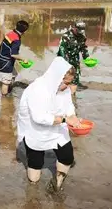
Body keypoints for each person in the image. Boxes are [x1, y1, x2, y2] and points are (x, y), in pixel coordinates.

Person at [16, 57, 82, 192]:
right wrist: (65, 120)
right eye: (65, 82)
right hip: (36, 131)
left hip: (57, 129)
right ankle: (33, 192)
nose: (67, 86)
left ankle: (57, 183)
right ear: (56, 77)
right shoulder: (38, 89)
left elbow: (69, 106)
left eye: (69, 83)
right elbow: (39, 118)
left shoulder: (65, 89)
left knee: (67, 157)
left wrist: (73, 117)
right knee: (36, 165)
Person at [0, 20, 30, 96]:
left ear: (16, 27)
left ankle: (9, 89)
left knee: (14, 74)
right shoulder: (16, 40)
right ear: (25, 31)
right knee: (6, 82)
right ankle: (4, 99)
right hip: (5, 63)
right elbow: (13, 54)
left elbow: (4, 30)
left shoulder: (11, 33)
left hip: (1, 60)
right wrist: (24, 59)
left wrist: (4, 25)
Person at [57, 21, 89, 92]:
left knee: (76, 76)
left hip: (75, 59)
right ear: (74, 28)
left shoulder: (82, 36)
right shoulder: (66, 36)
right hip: (65, 59)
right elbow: (62, 50)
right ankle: (56, 93)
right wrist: (66, 63)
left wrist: (86, 58)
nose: (80, 32)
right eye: (78, 30)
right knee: (66, 79)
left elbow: (83, 47)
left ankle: (73, 95)